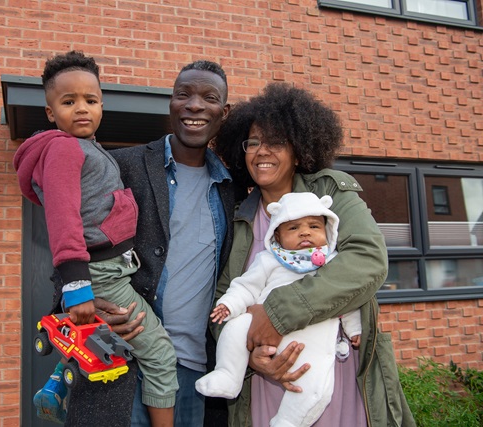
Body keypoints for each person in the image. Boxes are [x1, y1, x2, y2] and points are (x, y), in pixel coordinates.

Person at [212, 82, 415, 426]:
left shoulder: (331, 193)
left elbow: (367, 261)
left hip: (334, 371)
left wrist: (276, 314)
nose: (262, 152)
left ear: (299, 149)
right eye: (253, 142)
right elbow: (223, 297)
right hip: (268, 381)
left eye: (276, 142)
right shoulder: (236, 214)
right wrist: (249, 356)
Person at [13, 50, 177, 426]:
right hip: (100, 273)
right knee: (159, 354)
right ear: (51, 112)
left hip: (110, 269)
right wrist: (77, 286)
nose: (81, 108)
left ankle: (55, 385)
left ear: (102, 104)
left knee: (102, 341)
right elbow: (63, 216)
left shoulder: (84, 146)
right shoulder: (63, 148)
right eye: (68, 102)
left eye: (90, 100)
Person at [107, 60, 242, 427]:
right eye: (184, 95)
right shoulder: (123, 165)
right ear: (171, 104)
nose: (195, 105)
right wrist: (87, 299)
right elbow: (70, 235)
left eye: (208, 98)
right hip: (124, 358)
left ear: (223, 112)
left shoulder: (233, 188)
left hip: (195, 373)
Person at [196, 192, 362, 427]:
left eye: (314, 226)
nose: (305, 232)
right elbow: (246, 287)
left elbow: (348, 298)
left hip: (312, 345)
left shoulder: (333, 261)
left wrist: (355, 328)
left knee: (314, 387)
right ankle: (228, 375)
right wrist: (229, 305)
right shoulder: (269, 260)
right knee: (235, 328)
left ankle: (288, 421)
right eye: (293, 228)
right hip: (264, 334)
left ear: (328, 230)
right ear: (277, 235)